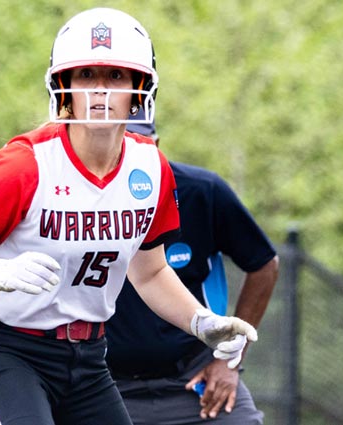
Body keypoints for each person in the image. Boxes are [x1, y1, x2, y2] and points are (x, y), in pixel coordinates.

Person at [0, 7, 258, 425]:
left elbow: (148, 273)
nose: (99, 91)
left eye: (115, 76)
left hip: (89, 361)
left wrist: (202, 322)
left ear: (139, 88)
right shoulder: (25, 164)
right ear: (64, 85)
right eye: (86, 75)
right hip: (6, 351)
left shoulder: (150, 168)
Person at [106, 112, 280, 423]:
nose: (127, 151)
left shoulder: (202, 191)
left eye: (139, 142)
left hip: (194, 377)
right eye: (119, 142)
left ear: (156, 146)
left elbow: (264, 265)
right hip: (107, 384)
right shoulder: (73, 203)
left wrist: (230, 362)